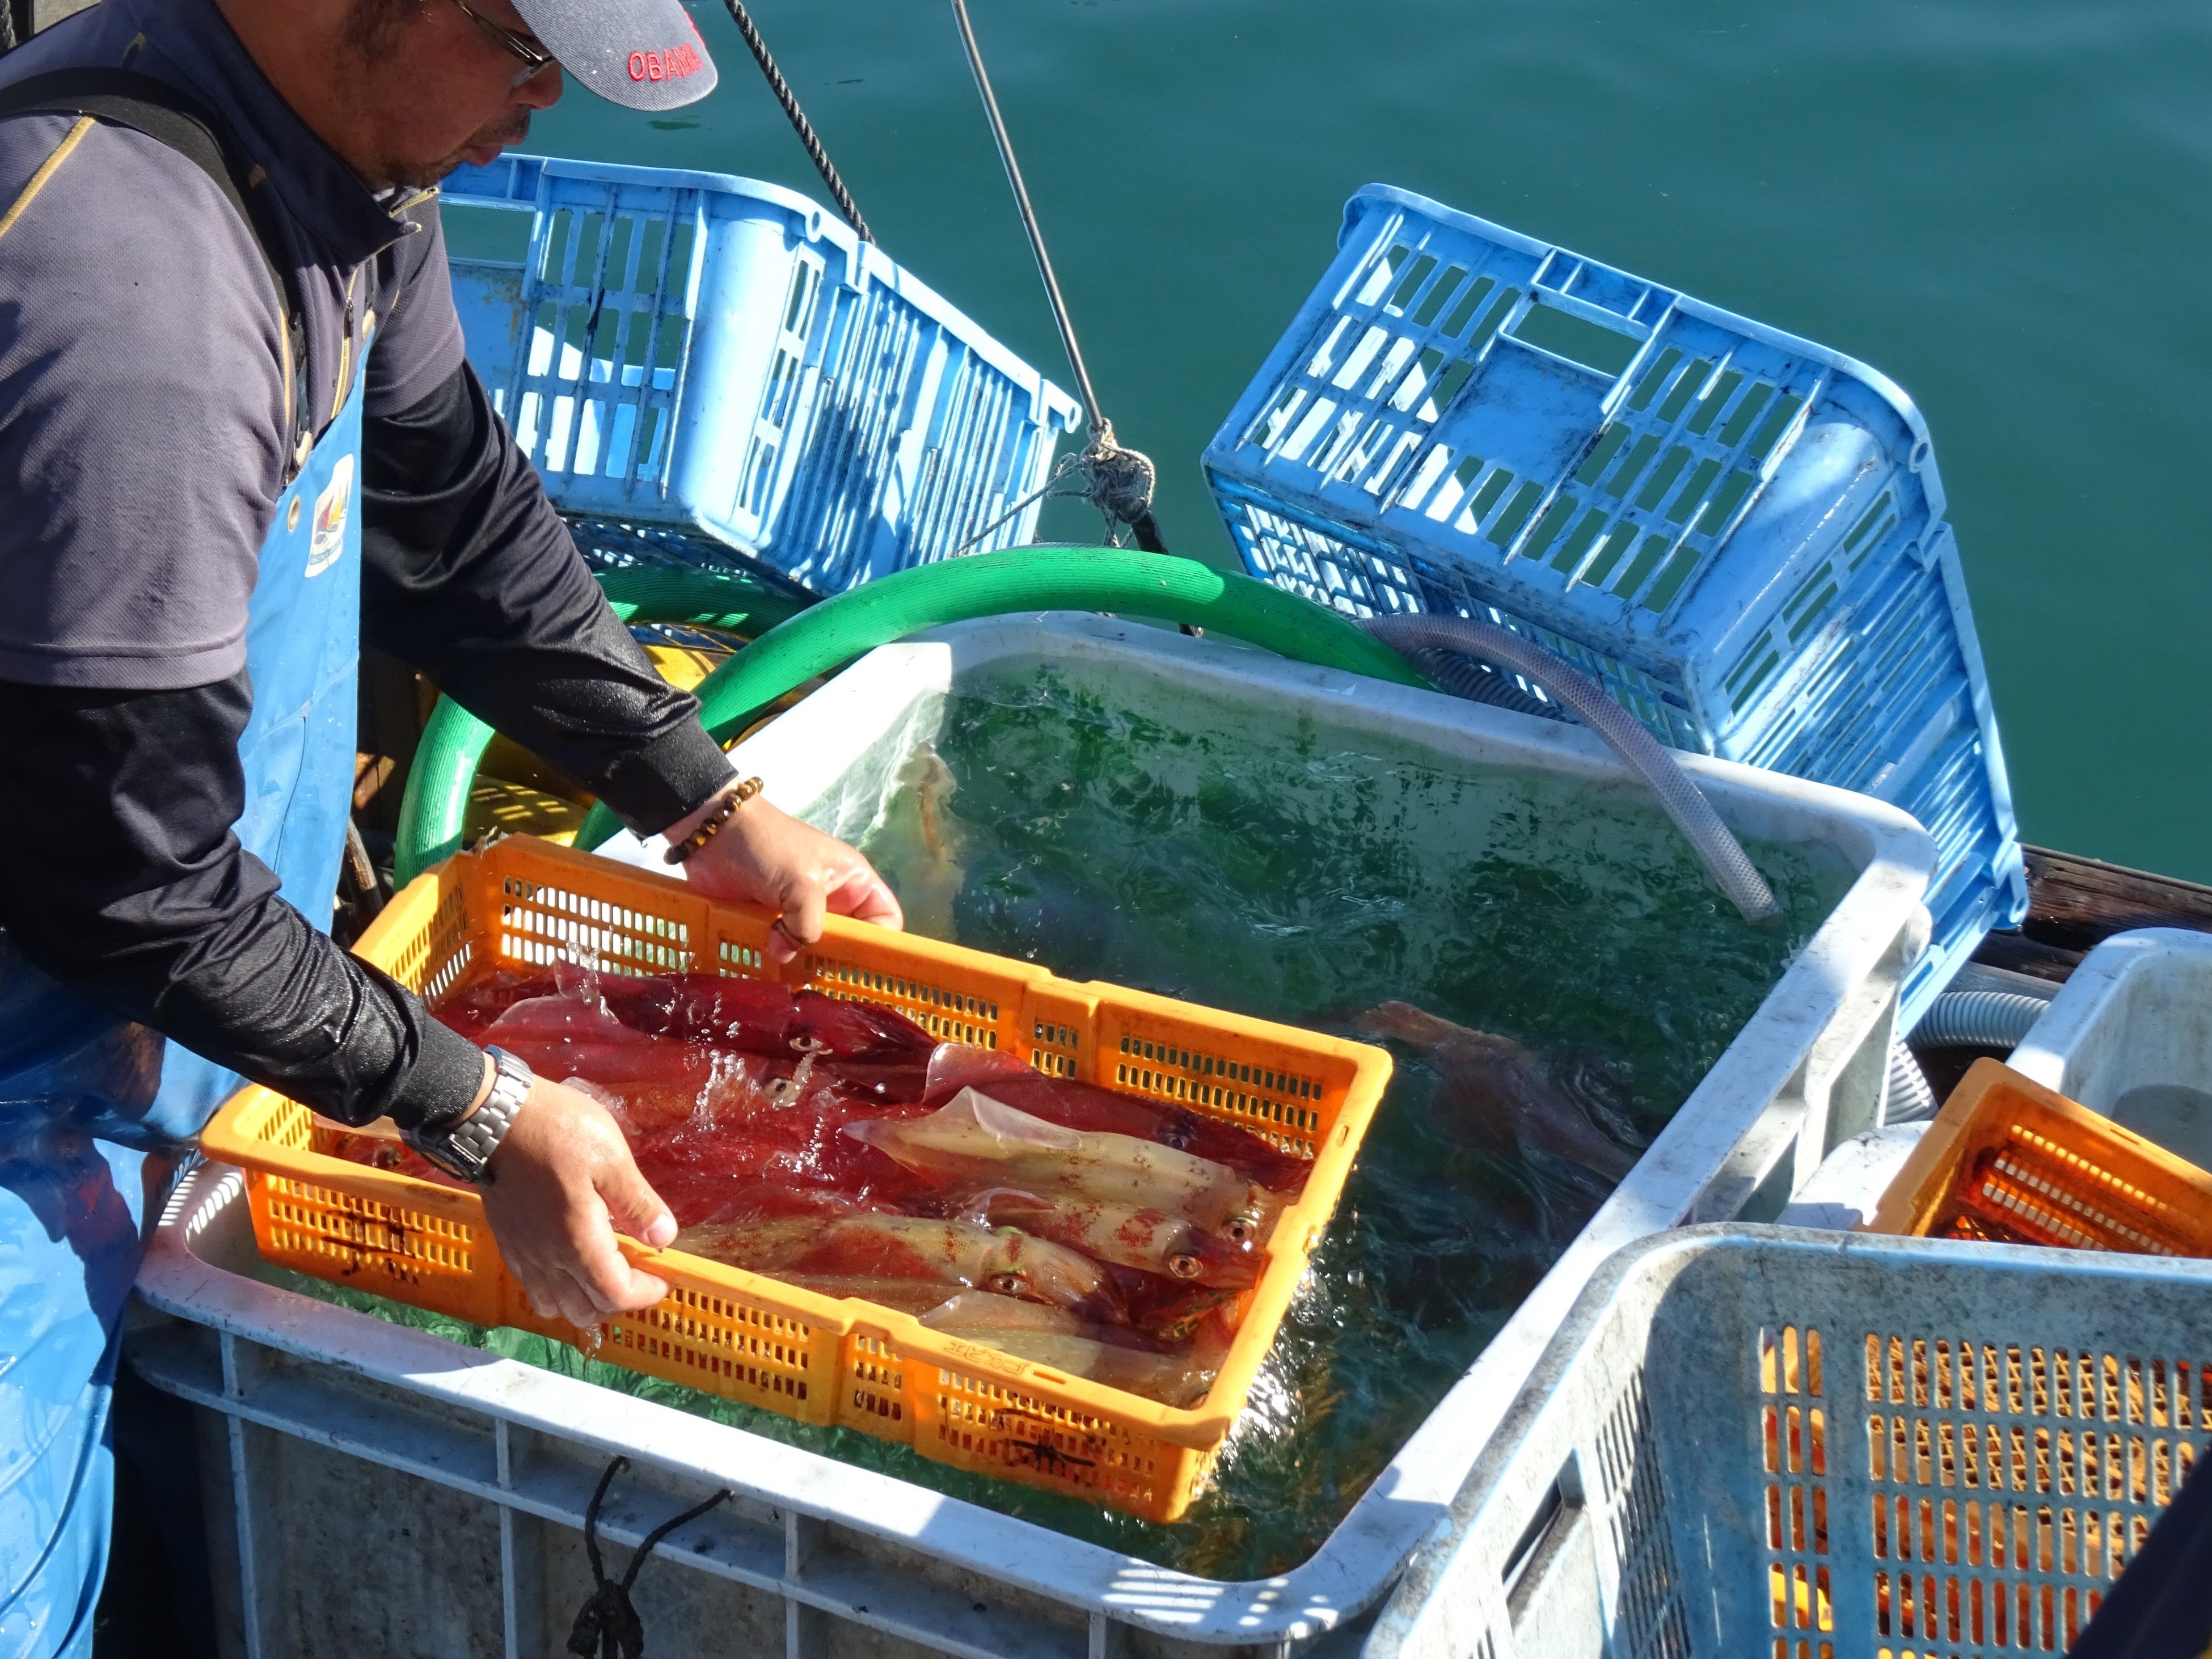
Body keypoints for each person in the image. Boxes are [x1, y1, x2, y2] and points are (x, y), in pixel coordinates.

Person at [0, 1, 905, 1652]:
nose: (540, 110)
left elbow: (450, 507)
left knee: (166, 1452)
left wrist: (698, 793)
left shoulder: (351, 158)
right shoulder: (143, 313)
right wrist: (474, 1110)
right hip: (43, 1029)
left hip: (169, 1010)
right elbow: (122, 878)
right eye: (523, 52)